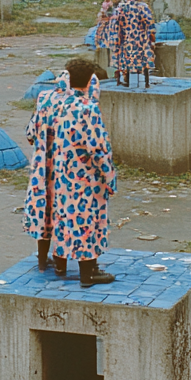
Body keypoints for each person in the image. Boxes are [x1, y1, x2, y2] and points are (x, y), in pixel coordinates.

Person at [51, 58, 117, 286]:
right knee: (89, 221)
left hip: (64, 174)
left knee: (65, 218)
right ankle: (88, 272)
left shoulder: (61, 105)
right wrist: (110, 178)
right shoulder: (89, 109)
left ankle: (60, 263)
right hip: (87, 177)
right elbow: (98, 148)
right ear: (91, 81)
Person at [24, 69, 71, 275]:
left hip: (43, 169)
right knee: (62, 213)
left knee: (45, 211)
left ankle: (43, 261)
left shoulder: (44, 99)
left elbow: (30, 133)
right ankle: (61, 264)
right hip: (66, 170)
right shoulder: (77, 104)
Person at [115, 0, 156, 88]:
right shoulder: (142, 6)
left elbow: (116, 23)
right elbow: (149, 21)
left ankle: (127, 80)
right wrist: (152, 35)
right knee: (144, 58)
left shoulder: (121, 7)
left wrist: (118, 36)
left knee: (127, 58)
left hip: (127, 37)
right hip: (141, 37)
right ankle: (146, 82)